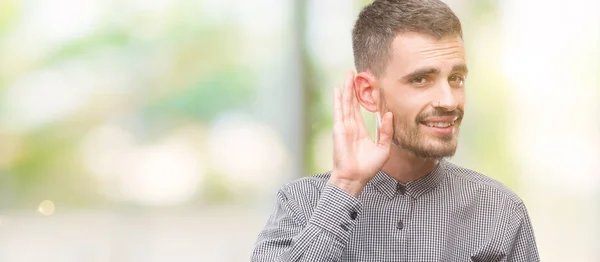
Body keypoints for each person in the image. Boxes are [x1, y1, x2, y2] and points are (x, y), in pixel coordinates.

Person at [252, 0, 539, 261]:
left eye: (456, 78)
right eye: (421, 80)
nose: (449, 101)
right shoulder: (301, 203)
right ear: (367, 93)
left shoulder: (501, 212)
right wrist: (345, 186)